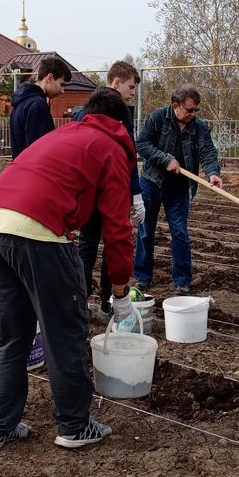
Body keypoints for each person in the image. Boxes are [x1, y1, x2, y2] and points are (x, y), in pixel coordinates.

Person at [0, 87, 137, 451]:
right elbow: (117, 228)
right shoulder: (110, 148)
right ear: (122, 125)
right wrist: (120, 291)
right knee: (64, 329)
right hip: (37, 229)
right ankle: (74, 425)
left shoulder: (64, 133)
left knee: (14, 332)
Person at [133, 84, 222, 296]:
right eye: (190, 110)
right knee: (146, 231)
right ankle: (142, 277)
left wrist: (212, 173)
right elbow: (141, 144)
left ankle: (182, 281)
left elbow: (208, 152)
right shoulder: (157, 118)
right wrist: (165, 160)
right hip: (151, 183)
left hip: (179, 188)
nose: (193, 114)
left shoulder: (199, 127)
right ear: (176, 106)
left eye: (196, 110)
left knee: (180, 233)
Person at [75, 62, 145, 319]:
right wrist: (135, 192)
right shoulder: (116, 113)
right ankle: (107, 302)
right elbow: (127, 156)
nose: (132, 93)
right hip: (107, 191)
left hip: (88, 193)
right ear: (116, 82)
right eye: (130, 87)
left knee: (88, 244)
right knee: (108, 245)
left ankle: (82, 302)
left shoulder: (87, 109)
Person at [9, 55, 73, 158]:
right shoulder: (38, 105)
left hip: (19, 169)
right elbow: (39, 151)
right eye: (61, 84)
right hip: (33, 171)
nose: (62, 91)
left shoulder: (20, 101)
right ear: (50, 78)